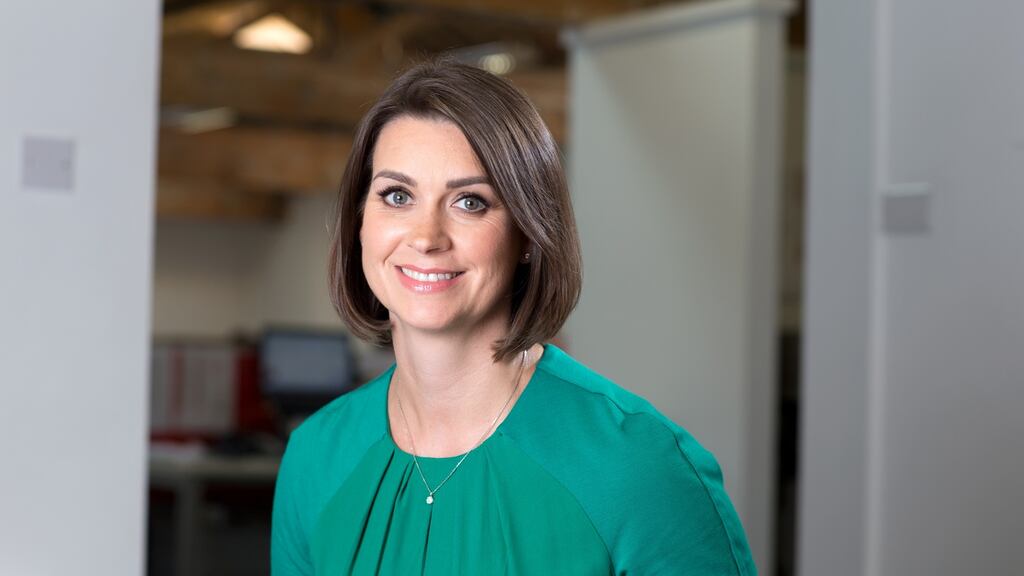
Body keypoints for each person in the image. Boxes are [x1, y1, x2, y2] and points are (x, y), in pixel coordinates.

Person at [271, 58, 755, 575]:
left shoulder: (640, 466)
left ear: (527, 232)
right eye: (397, 196)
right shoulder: (315, 456)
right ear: (360, 222)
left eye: (470, 202)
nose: (426, 237)